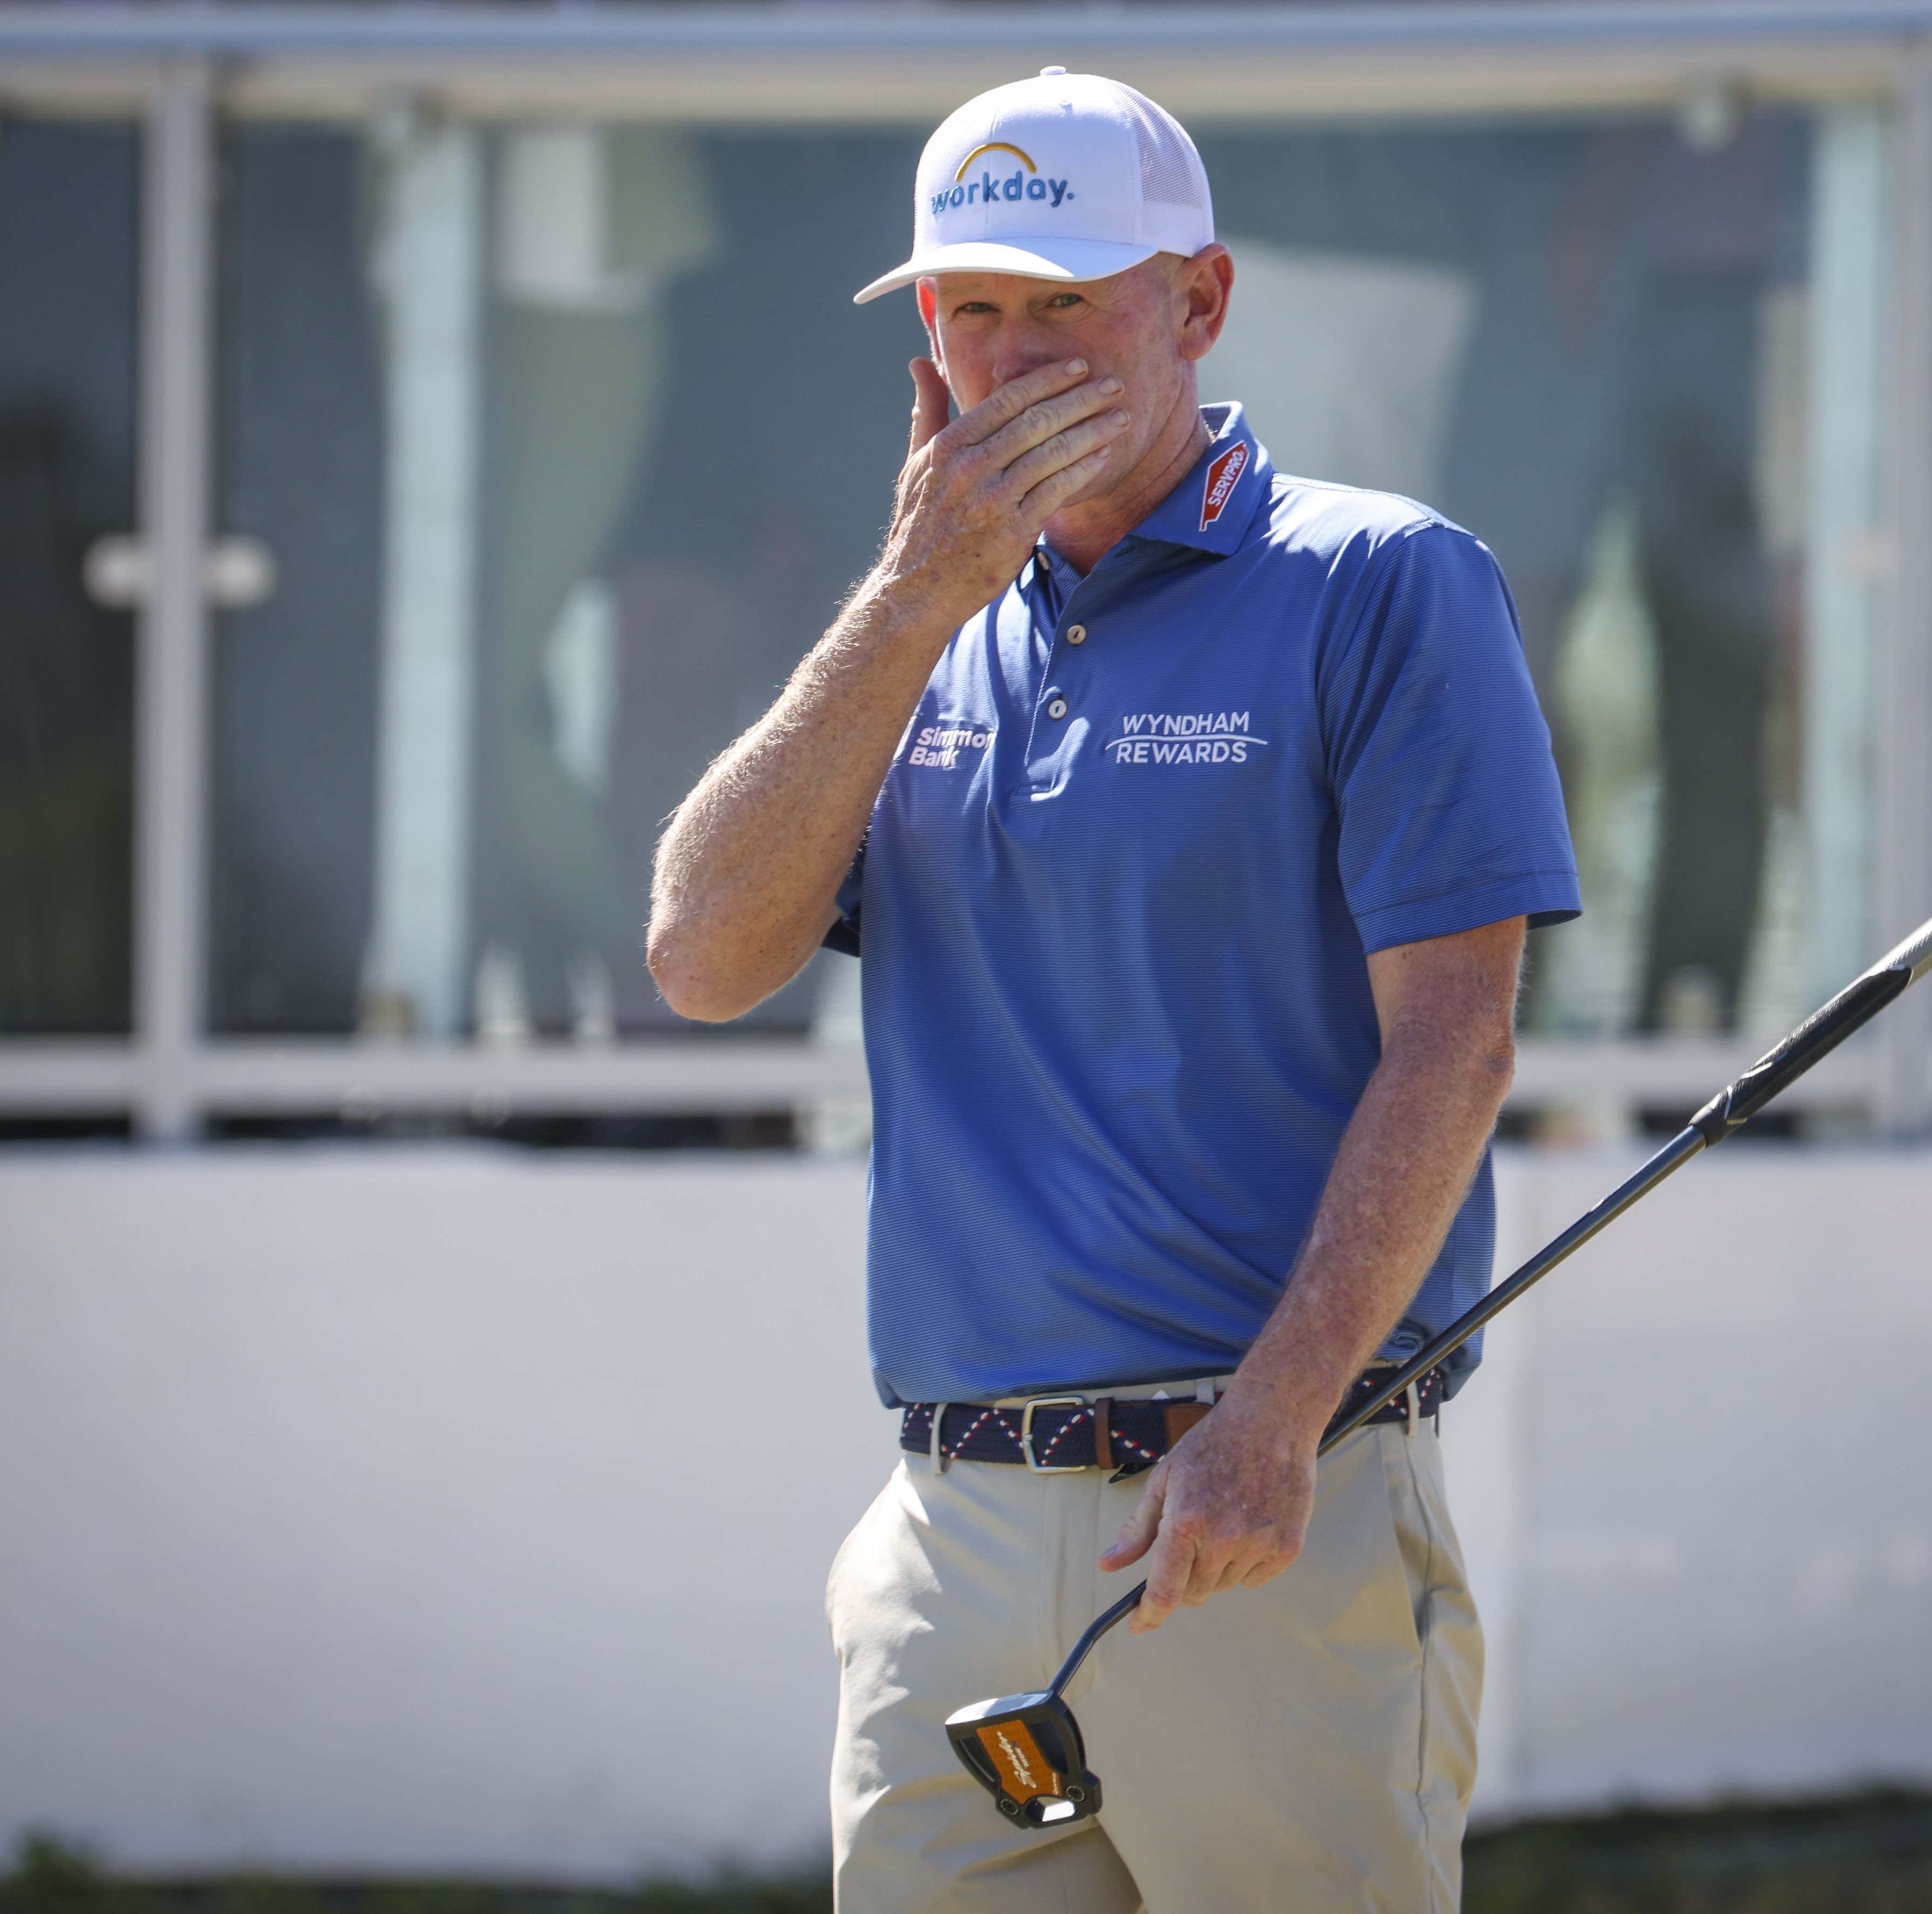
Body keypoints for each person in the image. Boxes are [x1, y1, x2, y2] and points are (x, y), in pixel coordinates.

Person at [645, 68, 1578, 1914]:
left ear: (1201, 303)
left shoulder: (1383, 582)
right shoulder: (912, 633)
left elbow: (1458, 1043)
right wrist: (916, 595)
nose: (1012, 355)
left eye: (1064, 302)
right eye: (970, 308)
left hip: (1257, 1513)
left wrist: (1277, 1416)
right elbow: (700, 953)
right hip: (950, 1532)